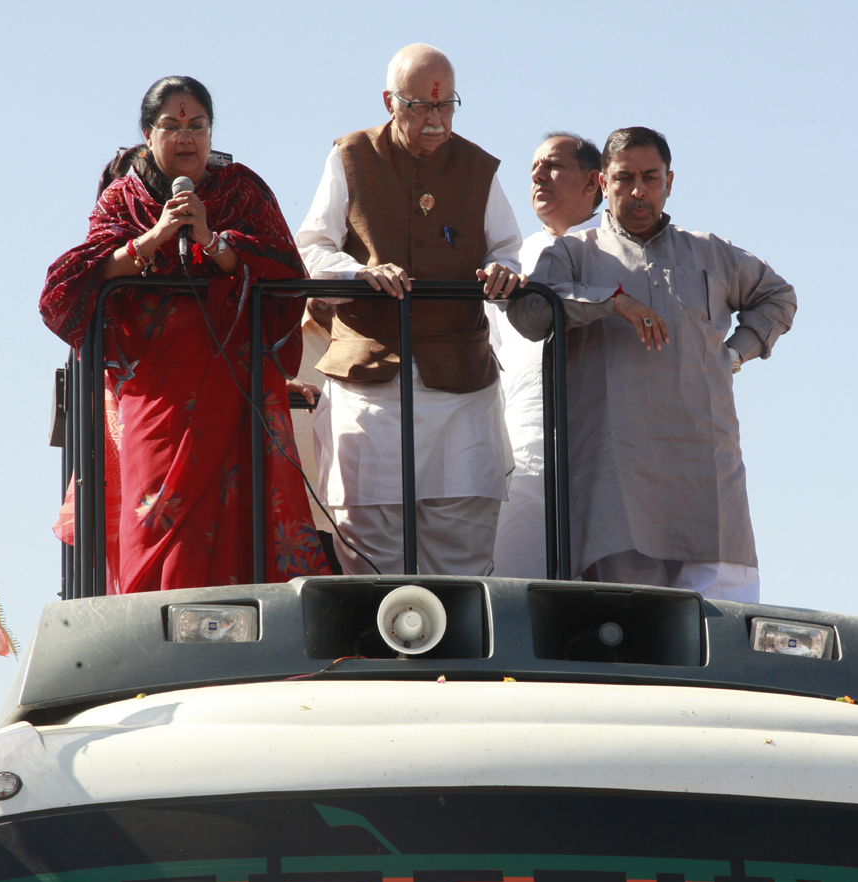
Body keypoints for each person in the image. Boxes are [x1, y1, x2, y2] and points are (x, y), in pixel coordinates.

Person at [42, 75, 330, 593]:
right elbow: (67, 287)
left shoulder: (242, 190)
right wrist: (152, 240)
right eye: (172, 126)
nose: (186, 137)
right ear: (148, 135)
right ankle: (158, 640)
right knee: (156, 512)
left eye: (198, 125)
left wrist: (213, 241)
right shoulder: (122, 197)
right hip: (157, 391)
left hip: (236, 382)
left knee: (244, 515)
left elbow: (286, 270)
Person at [508, 127, 797, 603]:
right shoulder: (574, 254)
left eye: (650, 178)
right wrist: (609, 301)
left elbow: (778, 296)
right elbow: (532, 312)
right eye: (624, 179)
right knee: (631, 637)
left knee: (719, 637)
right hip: (616, 478)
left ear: (670, 182)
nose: (638, 191)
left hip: (706, 470)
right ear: (603, 183)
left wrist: (733, 353)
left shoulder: (711, 253)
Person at [296, 43, 523, 576]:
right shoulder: (350, 155)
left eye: (445, 107)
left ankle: (459, 662)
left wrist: (501, 271)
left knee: (461, 552)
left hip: (460, 386)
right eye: (419, 106)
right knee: (373, 553)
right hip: (368, 382)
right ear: (389, 102)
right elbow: (310, 249)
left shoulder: (478, 167)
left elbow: (507, 249)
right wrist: (359, 273)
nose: (434, 121)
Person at [488, 133, 604, 579]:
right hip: (525, 439)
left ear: (593, 182)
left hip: (604, 439)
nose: (537, 175)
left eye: (553, 166)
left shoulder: (617, 252)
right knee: (518, 576)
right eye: (534, 167)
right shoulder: (510, 260)